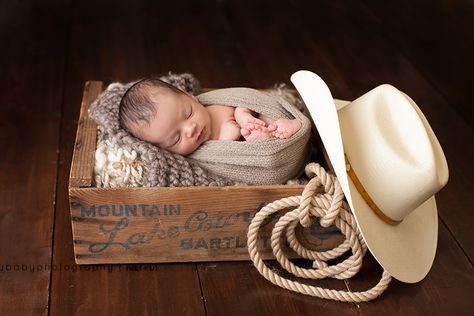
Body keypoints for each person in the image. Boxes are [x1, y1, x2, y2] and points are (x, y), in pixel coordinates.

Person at [118, 78, 302, 155]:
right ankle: (266, 137)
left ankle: (280, 124)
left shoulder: (214, 106)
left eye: (188, 113)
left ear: (189, 95)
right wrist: (226, 142)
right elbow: (226, 167)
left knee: (255, 114)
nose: (190, 129)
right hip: (256, 151)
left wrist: (243, 115)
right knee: (253, 137)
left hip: (259, 121)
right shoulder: (200, 156)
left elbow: (244, 99)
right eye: (176, 138)